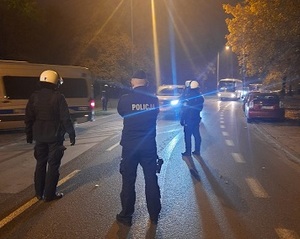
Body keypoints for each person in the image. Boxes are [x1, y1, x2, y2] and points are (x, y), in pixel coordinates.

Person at [116, 69, 161, 226]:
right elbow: (155, 114)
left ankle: (126, 215)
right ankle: (154, 215)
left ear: (132, 81)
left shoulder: (125, 99)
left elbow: (122, 113)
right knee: (151, 179)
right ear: (146, 82)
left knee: (128, 181)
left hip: (130, 147)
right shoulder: (154, 100)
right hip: (148, 146)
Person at [25, 70, 76, 202]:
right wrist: (71, 134)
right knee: (53, 166)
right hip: (54, 138)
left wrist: (29, 135)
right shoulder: (58, 97)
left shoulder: (34, 97)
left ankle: (38, 193)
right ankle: (49, 194)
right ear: (55, 82)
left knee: (40, 164)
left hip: (39, 137)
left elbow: (28, 118)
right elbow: (65, 118)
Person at [180, 80, 204, 156]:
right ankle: (197, 151)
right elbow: (200, 108)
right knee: (196, 135)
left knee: (187, 136)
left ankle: (188, 152)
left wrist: (182, 119)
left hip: (188, 119)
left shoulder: (188, 97)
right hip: (196, 118)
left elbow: (184, 109)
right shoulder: (200, 97)